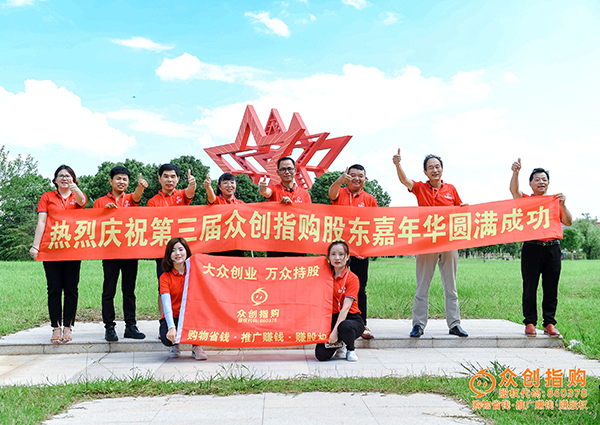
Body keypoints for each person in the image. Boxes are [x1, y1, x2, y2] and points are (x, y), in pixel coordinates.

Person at [393, 149, 469, 338]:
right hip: (426, 243)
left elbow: (459, 210)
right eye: (431, 168)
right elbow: (405, 181)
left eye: (437, 166)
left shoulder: (451, 189)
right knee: (422, 286)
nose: (435, 170)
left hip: (448, 243)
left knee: (451, 287)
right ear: (425, 172)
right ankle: (418, 325)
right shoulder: (420, 188)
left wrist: (464, 209)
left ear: (442, 169)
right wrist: (398, 164)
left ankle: (455, 324)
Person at [510, 159, 573, 337]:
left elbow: (568, 221)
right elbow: (514, 191)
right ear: (530, 183)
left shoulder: (555, 202)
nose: (541, 182)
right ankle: (530, 322)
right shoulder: (526, 201)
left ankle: (549, 323)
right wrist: (515, 173)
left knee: (551, 288)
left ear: (548, 183)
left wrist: (563, 205)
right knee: (530, 286)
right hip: (532, 248)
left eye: (544, 179)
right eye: (537, 179)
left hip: (552, 249)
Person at [30, 165, 87, 344]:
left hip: (72, 249)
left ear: (73, 179)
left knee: (71, 288)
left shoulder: (77, 196)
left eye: (68, 176)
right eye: (61, 176)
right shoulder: (47, 197)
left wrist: (75, 189)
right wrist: (36, 246)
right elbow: (42, 222)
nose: (64, 178)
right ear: (55, 180)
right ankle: (55, 327)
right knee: (54, 289)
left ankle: (68, 326)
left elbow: (83, 202)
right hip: (51, 249)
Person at [93, 165, 148, 341]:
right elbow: (92, 225)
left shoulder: (130, 199)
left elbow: (137, 196)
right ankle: (109, 327)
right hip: (110, 252)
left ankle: (130, 326)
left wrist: (141, 187)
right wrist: (104, 213)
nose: (121, 182)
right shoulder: (100, 201)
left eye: (125, 179)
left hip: (130, 251)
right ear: (111, 181)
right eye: (118, 178)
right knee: (109, 291)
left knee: (129, 291)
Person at [328, 164, 378, 340]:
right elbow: (331, 194)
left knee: (360, 289)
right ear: (347, 177)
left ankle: (362, 324)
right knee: (332, 286)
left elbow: (374, 225)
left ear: (365, 179)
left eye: (360, 176)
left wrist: (368, 249)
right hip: (338, 252)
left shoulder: (370, 199)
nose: (357, 178)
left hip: (360, 251)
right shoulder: (340, 192)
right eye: (353, 175)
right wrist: (339, 181)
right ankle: (330, 322)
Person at [147, 164, 196, 318]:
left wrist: (192, 185)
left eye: (173, 176)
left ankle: (185, 320)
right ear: (159, 178)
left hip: (182, 251)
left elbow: (189, 193)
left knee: (187, 285)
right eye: (166, 176)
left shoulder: (182, 195)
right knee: (163, 287)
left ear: (178, 179)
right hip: (163, 251)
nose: (169, 180)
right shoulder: (152, 202)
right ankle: (164, 321)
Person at [315, 241, 365, 362]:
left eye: (341, 254)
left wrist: (334, 332)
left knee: (345, 327)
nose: (337, 258)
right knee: (321, 355)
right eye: (333, 254)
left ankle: (350, 349)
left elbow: (345, 308)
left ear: (347, 257)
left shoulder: (352, 278)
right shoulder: (325, 276)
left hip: (351, 318)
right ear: (329, 257)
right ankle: (339, 343)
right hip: (332, 317)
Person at [159, 237, 208, 360]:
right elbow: (166, 305)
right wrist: (171, 327)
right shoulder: (165, 277)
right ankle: (174, 344)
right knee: (166, 338)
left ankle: (196, 346)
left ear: (187, 251)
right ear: (169, 255)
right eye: (173, 250)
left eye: (181, 249)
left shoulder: (195, 273)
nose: (178, 253)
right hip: (174, 316)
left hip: (192, 316)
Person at [259, 156, 311, 257]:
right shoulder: (273, 189)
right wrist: (263, 189)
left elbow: (309, 216)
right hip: (276, 243)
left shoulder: (304, 194)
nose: (287, 172)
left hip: (297, 242)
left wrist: (293, 207)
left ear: (295, 171)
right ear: (278, 172)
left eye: (289, 169)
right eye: (283, 169)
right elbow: (266, 192)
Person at [204, 172, 245, 257]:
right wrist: (209, 188)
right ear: (220, 187)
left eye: (232, 182)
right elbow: (211, 198)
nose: (229, 185)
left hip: (237, 244)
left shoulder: (241, 204)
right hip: (218, 244)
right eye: (225, 183)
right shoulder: (217, 201)